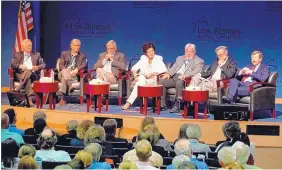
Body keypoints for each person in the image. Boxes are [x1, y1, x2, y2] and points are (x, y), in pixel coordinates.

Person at [159, 43, 204, 112]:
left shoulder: (199, 61)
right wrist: (168, 73)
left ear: (194, 52)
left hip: (185, 79)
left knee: (179, 82)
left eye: (190, 51)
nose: (188, 53)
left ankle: (177, 105)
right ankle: (162, 105)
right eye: (186, 51)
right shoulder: (179, 58)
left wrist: (185, 76)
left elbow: (197, 71)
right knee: (162, 81)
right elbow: (174, 68)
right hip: (174, 77)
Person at [122, 42, 167, 110]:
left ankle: (131, 103)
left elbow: (164, 70)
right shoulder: (143, 59)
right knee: (141, 80)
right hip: (143, 79)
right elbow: (134, 68)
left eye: (152, 51)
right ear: (146, 53)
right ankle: (132, 103)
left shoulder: (158, 59)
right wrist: (135, 75)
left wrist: (151, 74)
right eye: (149, 52)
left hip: (153, 80)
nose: (151, 53)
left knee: (140, 82)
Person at [11, 39, 46, 107]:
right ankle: (29, 100)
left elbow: (43, 64)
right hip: (21, 74)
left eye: (31, 46)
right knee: (28, 78)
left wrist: (37, 67)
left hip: (34, 74)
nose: (30, 47)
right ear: (23, 47)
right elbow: (13, 65)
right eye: (28, 46)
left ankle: (18, 88)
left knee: (29, 72)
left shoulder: (37, 54)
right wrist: (20, 66)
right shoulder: (17, 54)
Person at [58, 39, 88, 106]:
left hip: (73, 75)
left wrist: (77, 69)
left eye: (78, 45)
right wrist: (66, 70)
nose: (77, 47)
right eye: (76, 45)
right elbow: (61, 65)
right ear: (71, 46)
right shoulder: (64, 54)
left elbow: (84, 65)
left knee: (64, 78)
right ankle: (69, 84)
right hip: (63, 72)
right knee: (64, 71)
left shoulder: (82, 56)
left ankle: (63, 99)